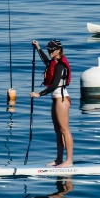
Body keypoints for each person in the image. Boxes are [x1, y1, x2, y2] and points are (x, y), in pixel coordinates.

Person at [30, 39, 74, 168]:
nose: (49, 52)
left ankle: (69, 161)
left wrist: (39, 94)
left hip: (62, 99)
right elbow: (46, 61)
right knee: (57, 130)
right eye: (48, 50)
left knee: (65, 130)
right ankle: (59, 159)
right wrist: (38, 47)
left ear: (59, 50)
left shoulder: (60, 65)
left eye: (52, 50)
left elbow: (54, 84)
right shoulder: (54, 62)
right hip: (56, 99)